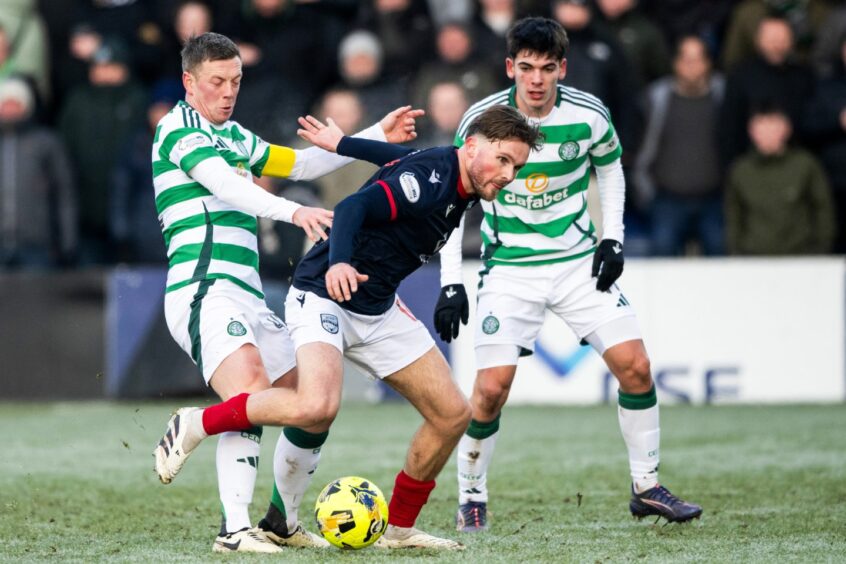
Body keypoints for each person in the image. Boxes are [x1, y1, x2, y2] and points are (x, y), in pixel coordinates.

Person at [153, 103, 542, 550]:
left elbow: (397, 157)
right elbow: (355, 205)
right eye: (505, 160)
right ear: (471, 145)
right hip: (325, 292)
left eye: (517, 165)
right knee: (315, 406)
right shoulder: (434, 179)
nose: (509, 174)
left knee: (453, 414)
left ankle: (395, 530)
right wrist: (338, 263)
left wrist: (343, 143)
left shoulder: (456, 174)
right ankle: (200, 422)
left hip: (377, 308)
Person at [150, 32, 422, 553]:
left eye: (236, 81)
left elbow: (297, 165)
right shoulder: (175, 129)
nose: (229, 91)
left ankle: (281, 520)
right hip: (203, 288)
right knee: (249, 390)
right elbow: (227, 187)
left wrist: (371, 135)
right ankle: (233, 530)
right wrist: (293, 211)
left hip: (248, 294)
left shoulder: (234, 135)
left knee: (312, 401)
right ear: (190, 82)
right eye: (217, 82)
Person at [431, 17, 703, 533]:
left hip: (578, 263)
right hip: (509, 269)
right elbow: (454, 197)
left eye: (548, 68)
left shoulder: (590, 114)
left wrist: (612, 236)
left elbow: (612, 168)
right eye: (527, 68)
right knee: (489, 392)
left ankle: (646, 487)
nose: (536, 79)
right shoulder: (481, 121)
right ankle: (471, 496)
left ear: (563, 69)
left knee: (637, 368)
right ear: (510, 67)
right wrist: (451, 279)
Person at [633, 35, 725, 256]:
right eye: (685, 59)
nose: (691, 65)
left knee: (722, 252)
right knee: (662, 250)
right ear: (675, 63)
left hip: (714, 199)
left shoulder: (724, 95)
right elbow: (640, 148)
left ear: (708, 63)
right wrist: (646, 193)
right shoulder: (656, 97)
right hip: (667, 199)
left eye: (697, 59)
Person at [725, 104, 835, 255]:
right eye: (762, 128)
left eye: (774, 127)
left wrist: (820, 249)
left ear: (786, 129)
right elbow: (733, 217)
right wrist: (736, 252)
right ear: (752, 131)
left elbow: (823, 209)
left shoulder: (805, 165)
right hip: (754, 258)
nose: (768, 134)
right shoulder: (741, 170)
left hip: (801, 257)